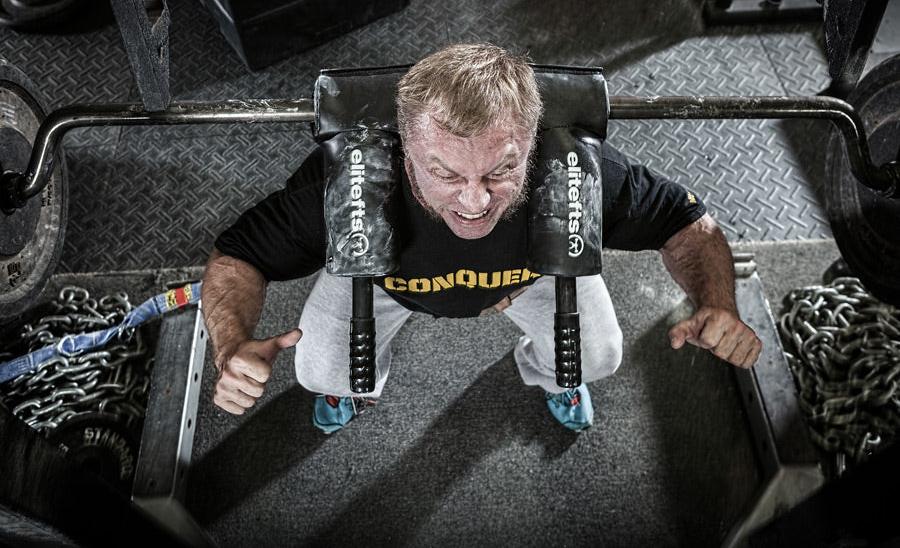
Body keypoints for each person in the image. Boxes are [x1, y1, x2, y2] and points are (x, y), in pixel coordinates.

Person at [201, 42, 762, 433]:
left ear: (531, 143)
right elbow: (238, 258)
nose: (475, 202)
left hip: (531, 279)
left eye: (500, 171)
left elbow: (689, 225)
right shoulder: (344, 182)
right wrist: (229, 347)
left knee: (597, 356)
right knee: (319, 369)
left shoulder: (574, 170)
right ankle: (350, 387)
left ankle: (552, 378)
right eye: (445, 174)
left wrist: (717, 301)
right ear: (406, 149)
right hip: (382, 281)